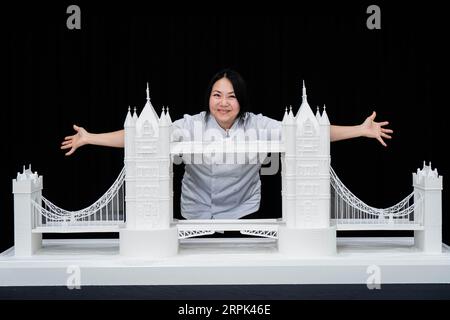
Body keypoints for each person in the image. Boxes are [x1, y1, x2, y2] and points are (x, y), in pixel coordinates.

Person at [61, 69, 393, 220]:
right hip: (193, 212)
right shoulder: (188, 125)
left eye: (231, 96)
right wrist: (90, 137)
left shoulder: (260, 125)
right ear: (208, 99)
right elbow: (140, 139)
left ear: (241, 101)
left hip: (243, 212)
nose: (223, 103)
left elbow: (310, 135)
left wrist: (359, 130)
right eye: (217, 95)